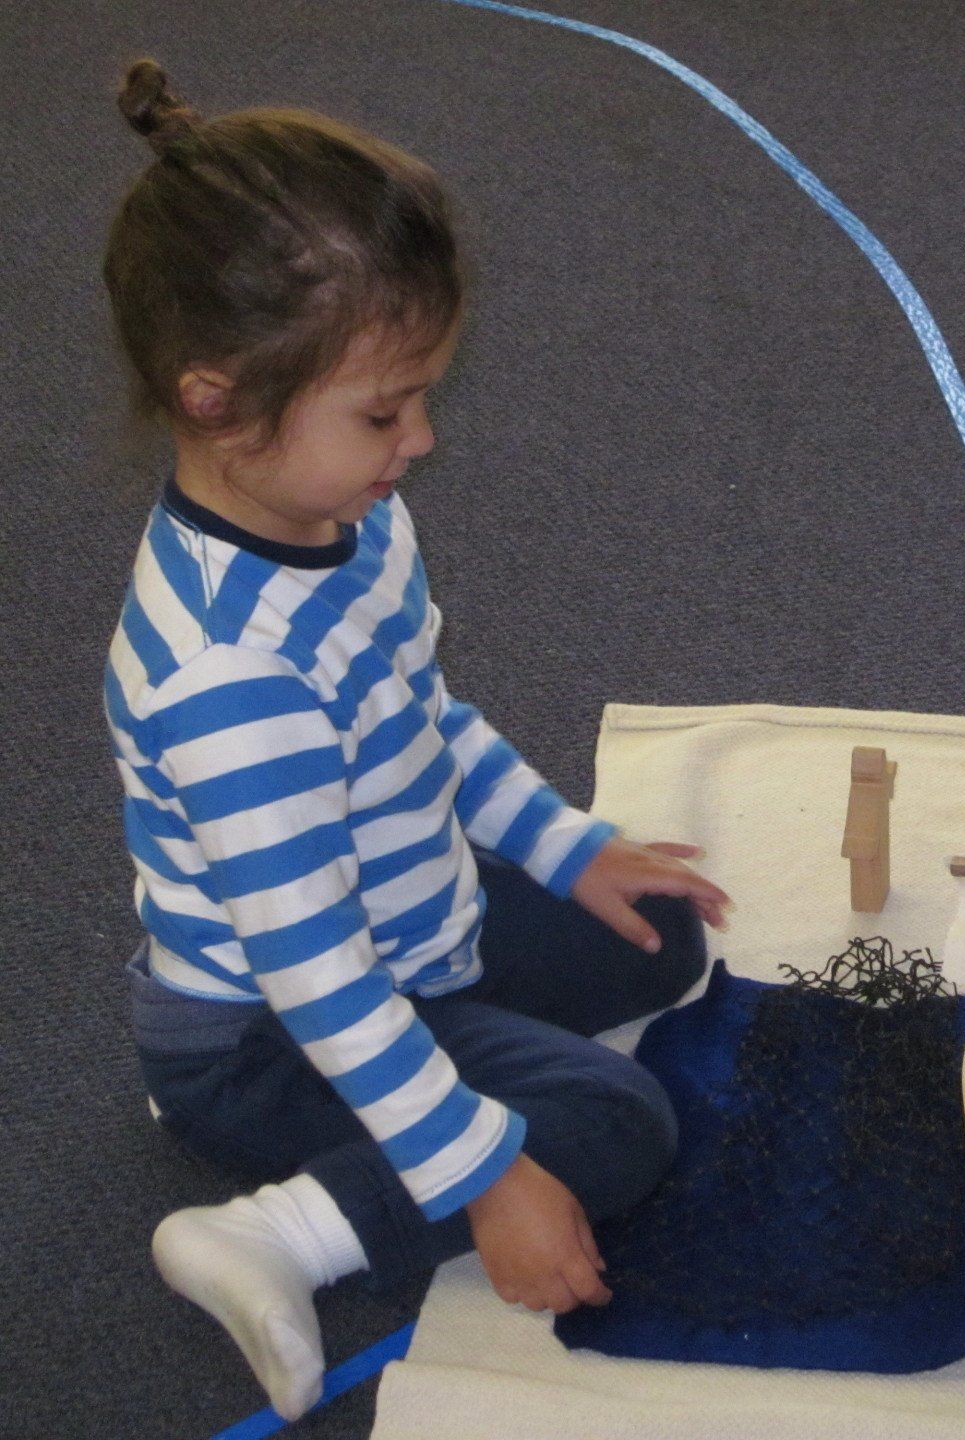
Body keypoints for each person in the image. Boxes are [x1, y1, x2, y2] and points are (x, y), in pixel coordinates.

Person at [101, 59, 734, 1421]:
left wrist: (567, 851)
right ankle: (272, 1231)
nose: (422, 442)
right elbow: (318, 977)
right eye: (385, 413)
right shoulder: (232, 681)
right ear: (216, 403)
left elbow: (423, 720)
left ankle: (448, 1067)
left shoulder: (351, 517)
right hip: (270, 1031)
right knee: (615, 1132)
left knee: (662, 932)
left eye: (421, 398)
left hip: (402, 923)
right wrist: (486, 1177)